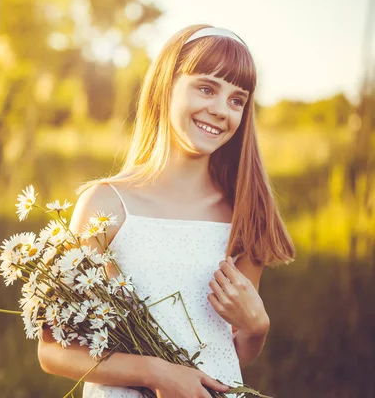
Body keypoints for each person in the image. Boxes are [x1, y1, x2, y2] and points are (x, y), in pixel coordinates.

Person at [37, 24, 295, 398]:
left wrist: (257, 329)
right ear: (166, 86)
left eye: (237, 100)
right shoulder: (106, 205)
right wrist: (157, 373)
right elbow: (52, 350)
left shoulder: (243, 214)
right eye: (206, 88)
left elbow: (233, 353)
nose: (221, 110)